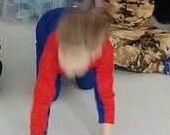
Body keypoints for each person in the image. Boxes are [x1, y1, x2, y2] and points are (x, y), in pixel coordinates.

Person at [30, 7, 115, 135]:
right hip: (47, 24)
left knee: (88, 84)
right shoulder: (52, 48)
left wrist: (107, 130)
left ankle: (78, 68)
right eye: (64, 56)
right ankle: (63, 66)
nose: (67, 66)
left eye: (73, 62)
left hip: (78, 26)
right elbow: (41, 98)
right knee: (52, 93)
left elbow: (106, 92)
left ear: (93, 55)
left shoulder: (104, 51)